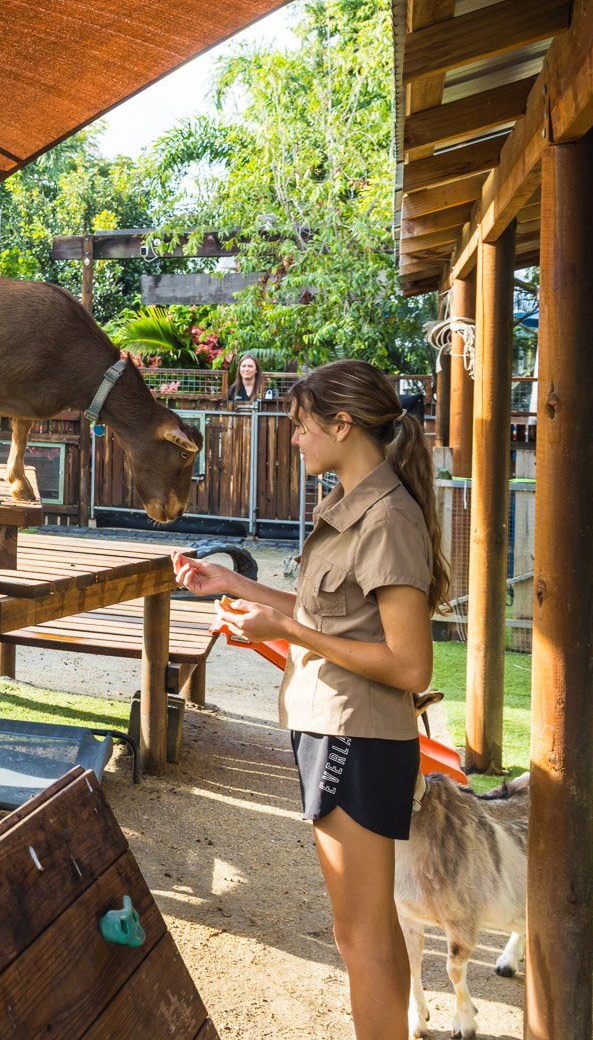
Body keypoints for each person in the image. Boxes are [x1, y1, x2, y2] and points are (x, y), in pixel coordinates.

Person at [172, 359, 446, 1040]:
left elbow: (410, 663)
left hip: (356, 738)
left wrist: (286, 629)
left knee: (362, 937)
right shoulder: (352, 505)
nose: (294, 438)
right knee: (366, 929)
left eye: (300, 425)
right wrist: (233, 586)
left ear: (342, 423)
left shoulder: (386, 516)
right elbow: (330, 615)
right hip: (336, 730)